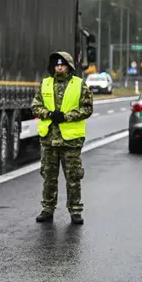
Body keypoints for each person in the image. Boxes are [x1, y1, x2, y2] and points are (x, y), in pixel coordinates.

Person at [31, 51, 93, 225]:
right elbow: (35, 107)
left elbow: (87, 108)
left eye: (62, 64)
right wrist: (49, 114)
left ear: (69, 66)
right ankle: (47, 209)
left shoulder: (79, 85)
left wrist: (66, 116)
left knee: (73, 177)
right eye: (56, 65)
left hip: (70, 141)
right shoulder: (45, 84)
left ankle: (75, 210)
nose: (59, 67)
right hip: (49, 140)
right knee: (49, 176)